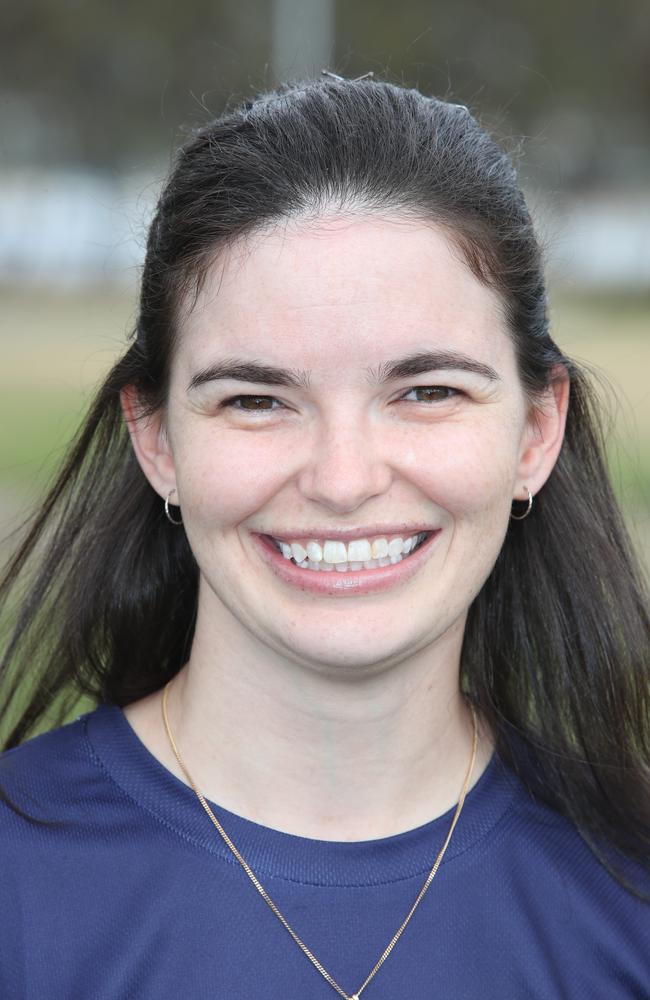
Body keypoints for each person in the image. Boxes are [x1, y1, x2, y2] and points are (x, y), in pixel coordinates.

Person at [1, 73, 649, 999]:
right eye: (257, 400)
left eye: (427, 392)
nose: (343, 481)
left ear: (536, 433)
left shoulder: (627, 891)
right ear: (156, 441)